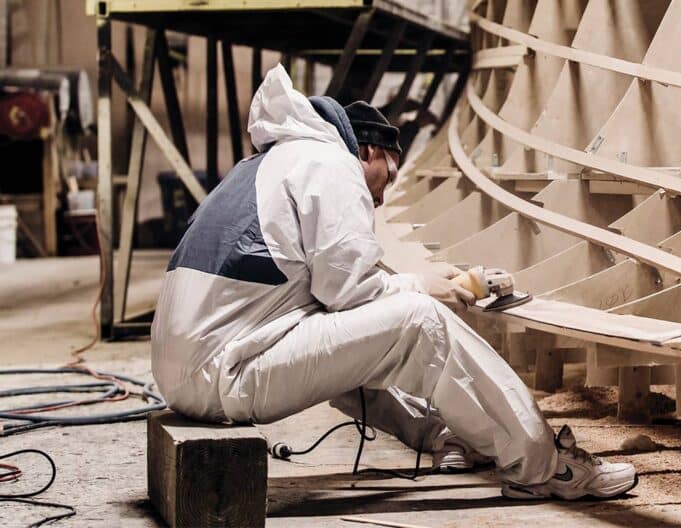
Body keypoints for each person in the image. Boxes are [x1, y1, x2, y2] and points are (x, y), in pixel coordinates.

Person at [151, 64, 637, 500]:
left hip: (192, 371)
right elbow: (351, 294)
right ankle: (545, 466)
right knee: (420, 323)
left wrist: (420, 278)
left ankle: (445, 438)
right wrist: (428, 290)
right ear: (367, 151)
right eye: (390, 172)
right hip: (226, 372)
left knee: (353, 335)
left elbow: (333, 289)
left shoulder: (278, 161)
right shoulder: (329, 162)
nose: (382, 197)